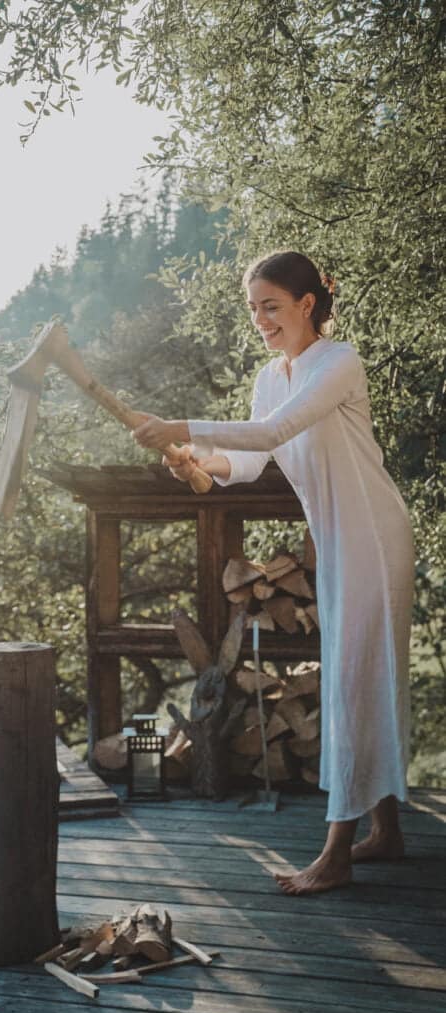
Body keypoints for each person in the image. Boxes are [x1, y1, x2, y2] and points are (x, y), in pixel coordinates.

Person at [132, 250, 415, 896]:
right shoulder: (269, 376)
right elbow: (248, 461)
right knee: (361, 672)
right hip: (336, 537)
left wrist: (178, 424)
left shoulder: (339, 363)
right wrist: (195, 461)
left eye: (271, 306)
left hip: (374, 534)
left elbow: (276, 431)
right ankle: (386, 832)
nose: (260, 320)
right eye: (252, 308)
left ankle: (337, 852)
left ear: (306, 305)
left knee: (351, 679)